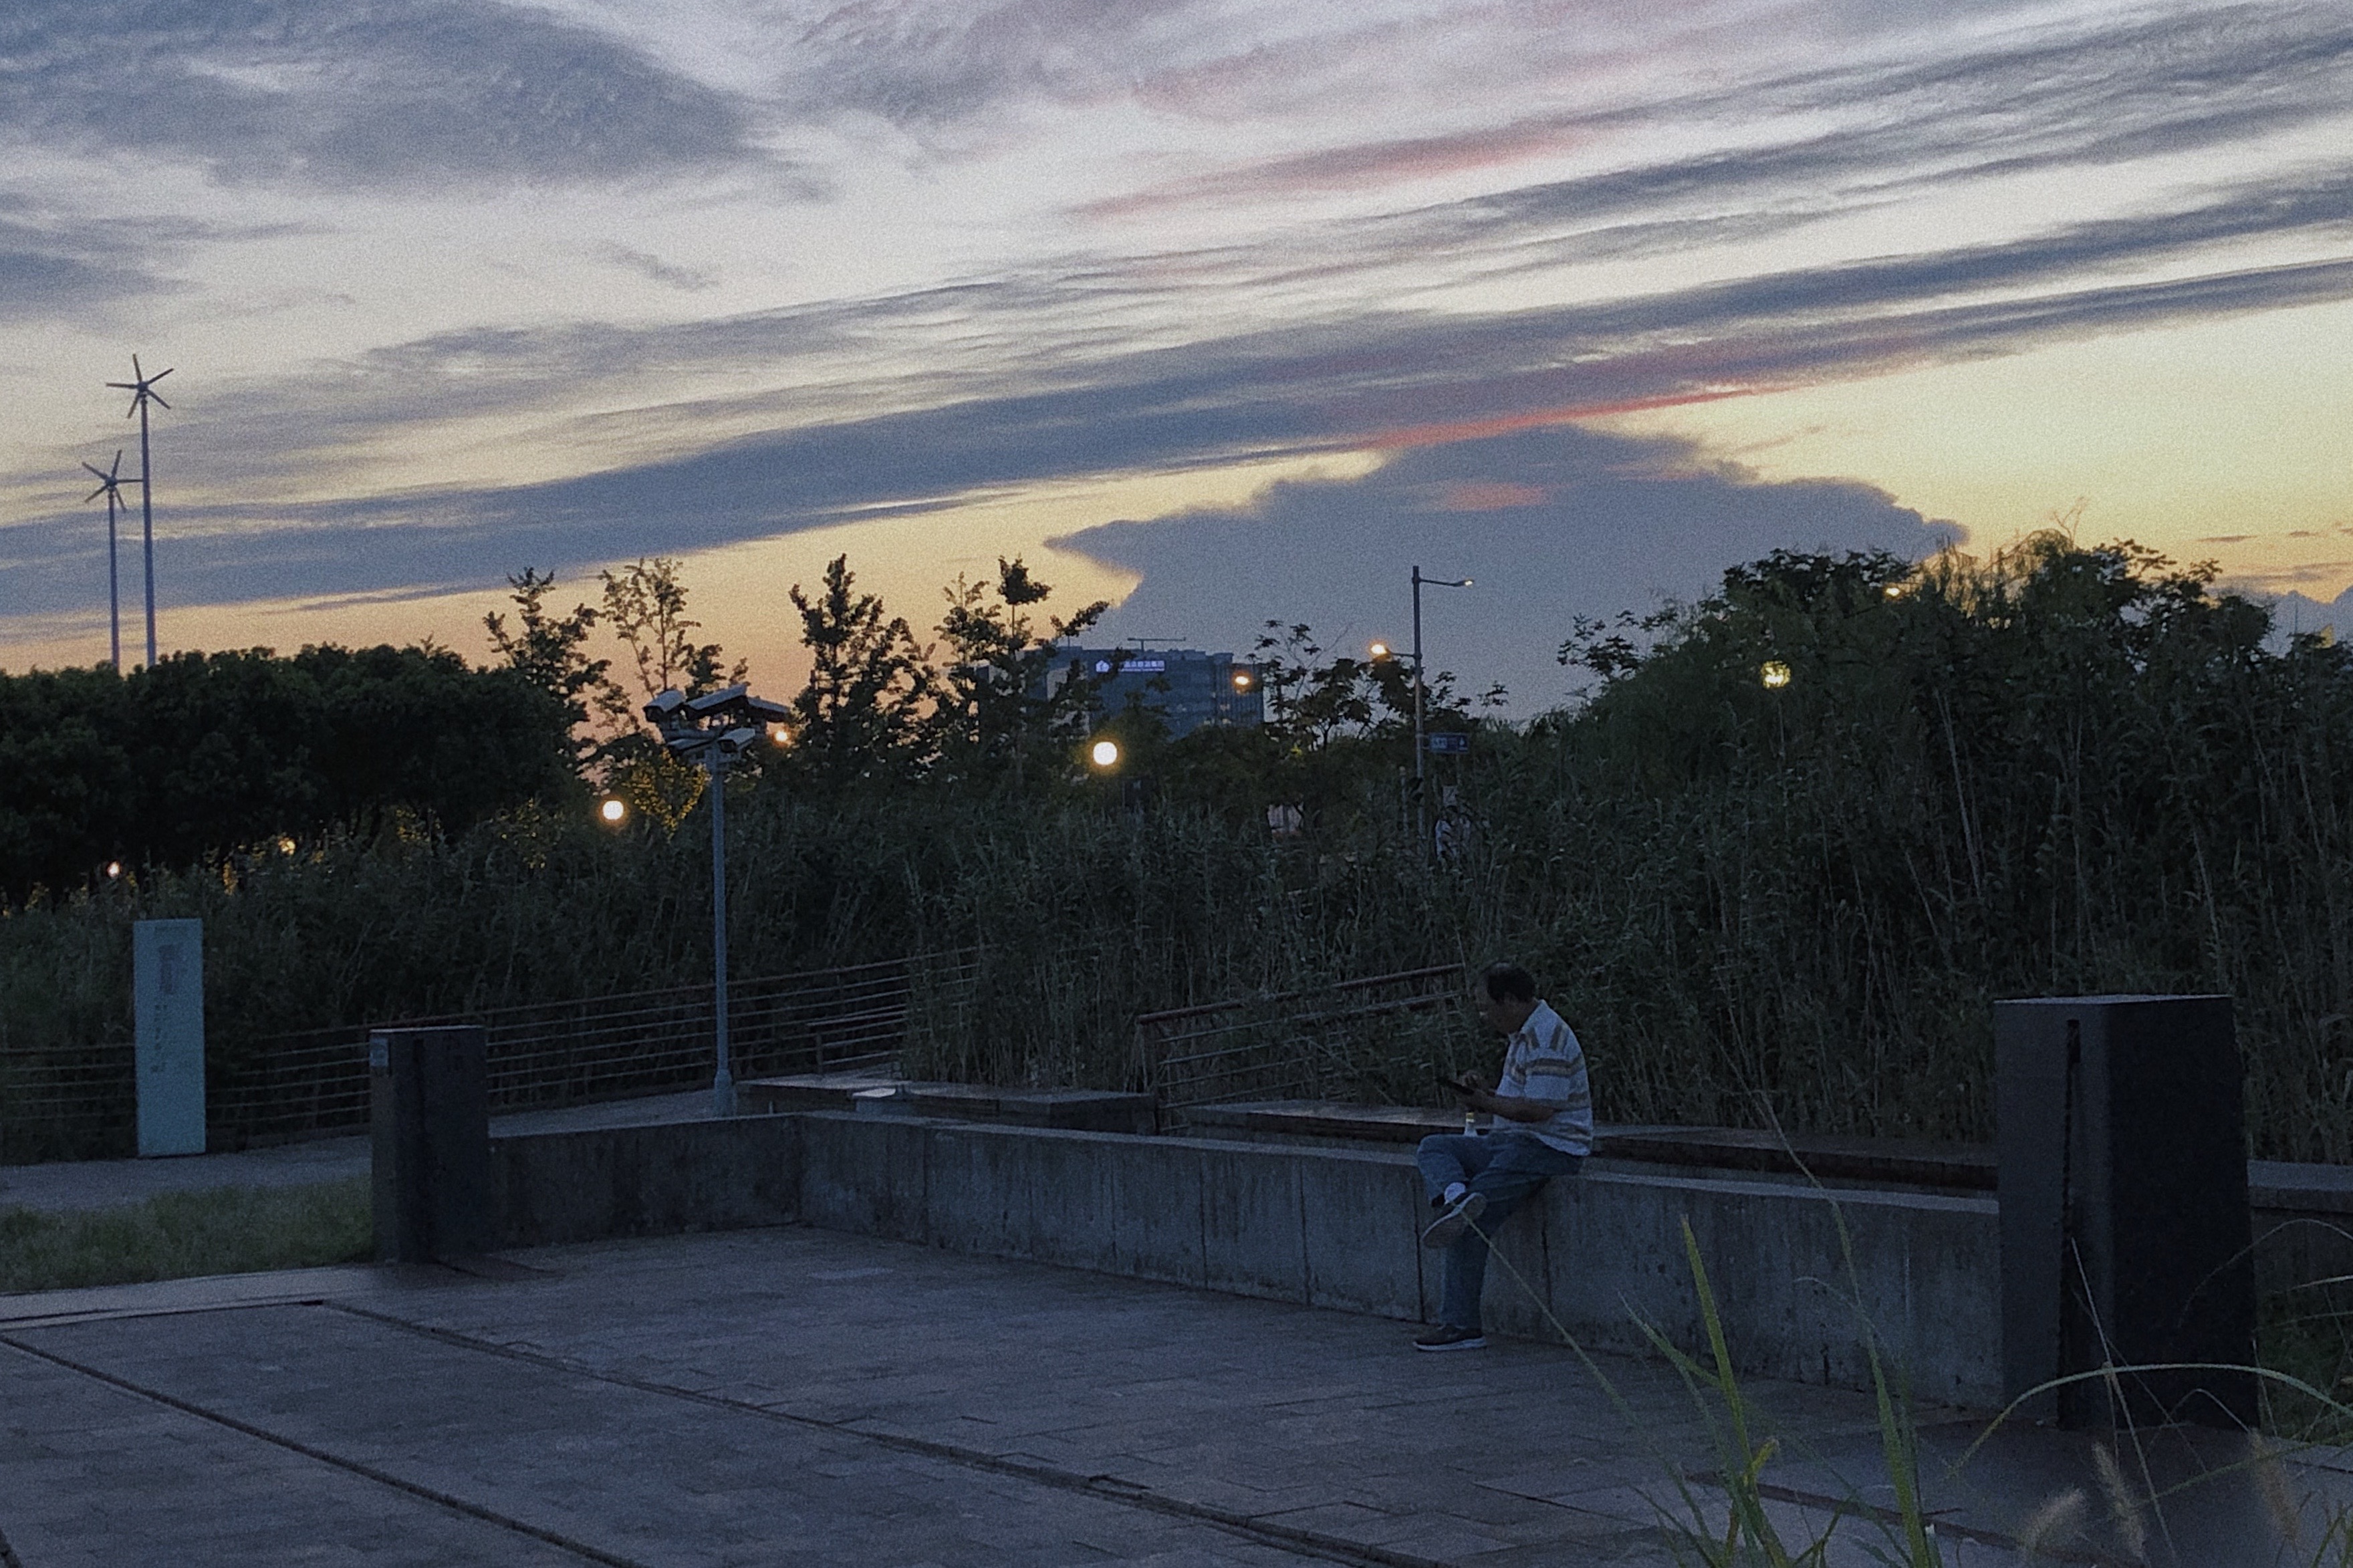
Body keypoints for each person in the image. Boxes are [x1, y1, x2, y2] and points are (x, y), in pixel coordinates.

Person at [1411, 962, 1592, 1351]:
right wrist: (1484, 1095)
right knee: (1435, 1147)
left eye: (1485, 1007)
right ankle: (1459, 1197)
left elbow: (1540, 1111)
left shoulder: (1548, 1037)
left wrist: (1485, 1101)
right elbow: (1519, 1103)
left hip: (1546, 1148)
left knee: (1469, 1226)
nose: (1483, 1016)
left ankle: (1461, 1326)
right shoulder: (1523, 1037)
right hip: (1510, 1141)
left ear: (1509, 1001)